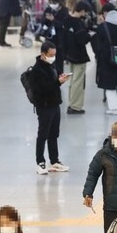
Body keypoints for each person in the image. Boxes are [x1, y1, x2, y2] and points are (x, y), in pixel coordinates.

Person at [28, 41, 71, 175]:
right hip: (44, 106)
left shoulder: (51, 65)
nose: (53, 57)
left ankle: (54, 160)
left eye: (54, 55)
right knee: (43, 134)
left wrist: (61, 77)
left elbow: (55, 79)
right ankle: (40, 162)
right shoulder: (37, 70)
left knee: (53, 134)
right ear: (43, 54)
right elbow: (42, 89)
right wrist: (58, 82)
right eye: (51, 55)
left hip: (54, 104)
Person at [61, 1, 94, 115]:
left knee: (73, 81)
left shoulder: (66, 20)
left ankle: (72, 103)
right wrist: (90, 35)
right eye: (86, 12)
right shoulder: (78, 23)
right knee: (78, 82)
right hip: (79, 56)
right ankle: (75, 106)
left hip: (70, 55)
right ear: (82, 10)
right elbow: (81, 40)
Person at [41, 0, 68, 74]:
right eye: (50, 3)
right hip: (50, 38)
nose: (52, 5)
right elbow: (42, 22)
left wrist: (53, 20)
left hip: (60, 39)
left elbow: (63, 24)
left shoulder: (64, 10)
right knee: (48, 59)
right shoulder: (48, 9)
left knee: (59, 60)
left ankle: (59, 76)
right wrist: (46, 19)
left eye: (54, 3)